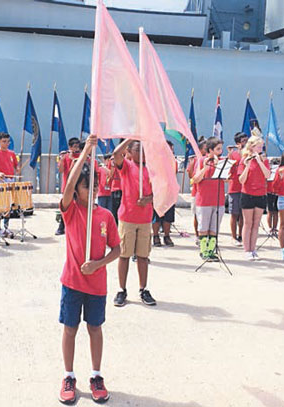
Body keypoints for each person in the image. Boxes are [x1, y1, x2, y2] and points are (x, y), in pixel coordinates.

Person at [57, 135, 120, 404]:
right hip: (72, 282)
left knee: (95, 328)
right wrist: (85, 153)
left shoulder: (105, 216)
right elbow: (69, 184)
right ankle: (69, 375)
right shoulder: (71, 211)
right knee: (70, 328)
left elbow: (117, 249)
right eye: (86, 187)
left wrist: (98, 264)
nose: (91, 191)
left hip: (97, 284)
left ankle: (96, 375)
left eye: (94, 186)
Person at [111, 139, 156, 307]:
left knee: (143, 256)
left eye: (144, 150)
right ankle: (122, 289)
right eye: (138, 150)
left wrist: (148, 199)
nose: (142, 153)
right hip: (127, 217)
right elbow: (116, 154)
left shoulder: (150, 169)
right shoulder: (127, 166)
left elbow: (158, 191)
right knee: (124, 255)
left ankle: (143, 289)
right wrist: (130, 137)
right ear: (129, 152)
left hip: (145, 218)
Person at [191, 136, 225, 261]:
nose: (220, 152)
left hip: (218, 199)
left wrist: (218, 165)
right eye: (217, 149)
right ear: (210, 150)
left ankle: (211, 251)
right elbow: (196, 179)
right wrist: (205, 167)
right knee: (203, 227)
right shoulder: (201, 161)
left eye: (221, 149)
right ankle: (204, 251)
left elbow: (226, 178)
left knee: (214, 227)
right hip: (204, 200)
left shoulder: (222, 162)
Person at [238, 135, 270, 260]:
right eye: (258, 146)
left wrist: (260, 161)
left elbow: (267, 175)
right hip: (248, 194)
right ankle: (246, 250)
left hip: (261, 194)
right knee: (248, 223)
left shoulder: (264, 160)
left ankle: (253, 248)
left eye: (261, 146)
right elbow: (241, 180)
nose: (261, 148)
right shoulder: (244, 159)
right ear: (252, 147)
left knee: (256, 224)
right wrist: (247, 164)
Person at [56, 138, 83, 235]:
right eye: (74, 147)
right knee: (66, 206)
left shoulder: (81, 157)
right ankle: (61, 227)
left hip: (79, 186)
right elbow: (61, 170)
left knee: (79, 207)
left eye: (78, 147)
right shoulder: (66, 157)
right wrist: (62, 159)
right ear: (70, 147)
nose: (76, 149)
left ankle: (76, 227)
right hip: (67, 187)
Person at [152, 140, 177, 248]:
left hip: (169, 191)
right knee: (156, 216)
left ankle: (167, 236)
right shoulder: (155, 160)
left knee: (168, 217)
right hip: (158, 191)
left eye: (171, 150)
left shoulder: (173, 161)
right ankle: (156, 236)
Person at [227, 133, 248, 246]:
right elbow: (228, 168)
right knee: (234, 214)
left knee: (243, 214)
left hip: (245, 188)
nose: (246, 143)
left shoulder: (249, 155)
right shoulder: (233, 155)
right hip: (234, 187)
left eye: (246, 140)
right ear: (238, 143)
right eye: (244, 141)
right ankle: (233, 236)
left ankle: (241, 235)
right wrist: (231, 153)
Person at [188, 138, 207, 245]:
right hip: (197, 192)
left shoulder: (210, 159)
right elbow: (191, 175)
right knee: (197, 215)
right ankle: (197, 235)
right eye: (205, 148)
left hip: (207, 193)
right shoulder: (196, 160)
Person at [266, 156, 280, 237]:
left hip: (277, 192)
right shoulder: (269, 171)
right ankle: (270, 227)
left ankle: (275, 228)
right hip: (269, 192)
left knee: (276, 212)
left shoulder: (279, 171)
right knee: (270, 211)